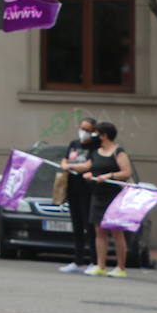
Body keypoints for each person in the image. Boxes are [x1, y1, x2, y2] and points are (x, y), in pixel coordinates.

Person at [82, 121, 134, 277]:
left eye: (96, 133)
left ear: (104, 135)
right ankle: (101, 265)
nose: (94, 136)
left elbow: (126, 172)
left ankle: (121, 268)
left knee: (116, 231)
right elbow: (87, 166)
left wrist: (109, 176)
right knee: (99, 231)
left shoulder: (118, 152)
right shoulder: (96, 152)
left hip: (114, 196)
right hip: (98, 195)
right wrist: (86, 174)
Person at [57, 117, 98, 273]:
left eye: (87, 129)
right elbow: (64, 161)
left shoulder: (96, 146)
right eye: (82, 128)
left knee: (90, 226)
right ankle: (77, 260)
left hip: (87, 190)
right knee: (77, 226)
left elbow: (88, 166)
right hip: (72, 188)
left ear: (93, 132)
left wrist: (70, 166)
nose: (83, 132)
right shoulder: (74, 144)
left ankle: (94, 261)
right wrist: (68, 165)